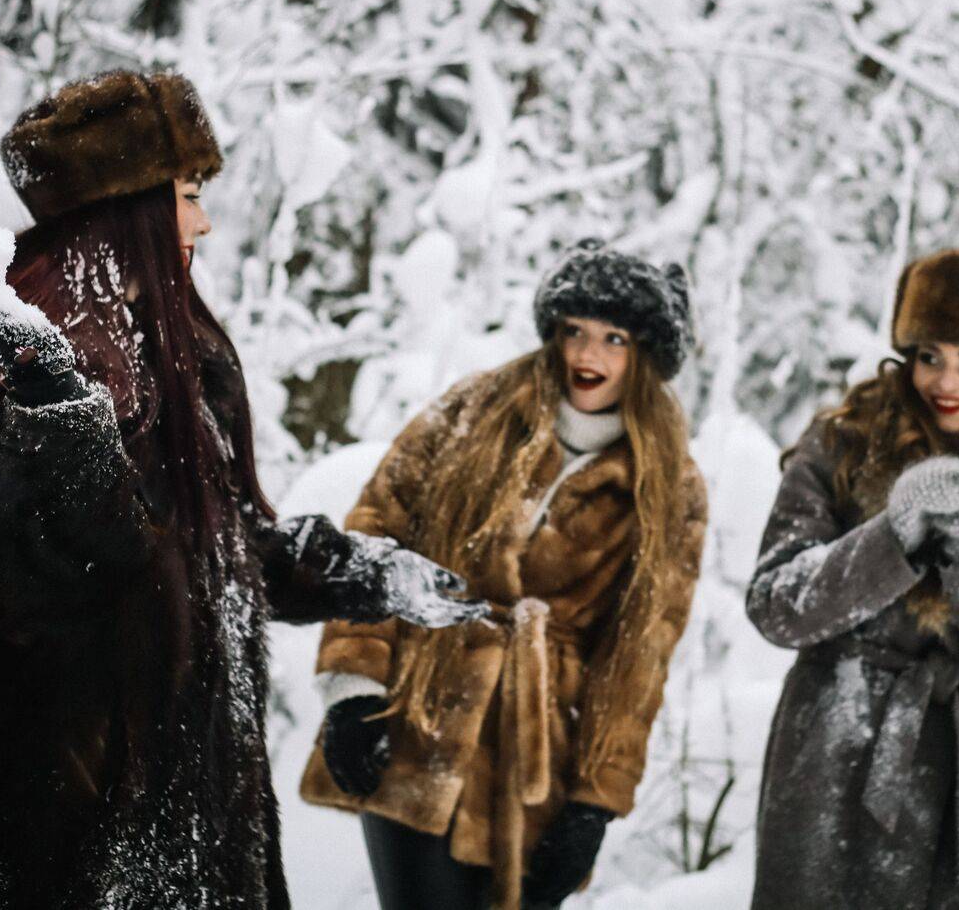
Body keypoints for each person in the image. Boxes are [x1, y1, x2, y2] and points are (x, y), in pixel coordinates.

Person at [0, 70, 486, 910]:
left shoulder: (171, 354)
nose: (203, 221)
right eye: (187, 195)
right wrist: (50, 393)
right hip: (56, 853)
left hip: (186, 833)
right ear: (128, 209)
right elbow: (45, 571)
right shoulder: (16, 366)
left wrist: (356, 572)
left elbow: (202, 548)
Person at [298, 240, 709, 909]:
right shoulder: (477, 406)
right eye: (575, 330)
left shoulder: (670, 484)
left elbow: (639, 653)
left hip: (535, 756)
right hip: (419, 714)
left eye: (614, 339)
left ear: (646, 355)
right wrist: (353, 686)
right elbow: (376, 531)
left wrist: (595, 802)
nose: (588, 354)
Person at [746, 249, 959, 909]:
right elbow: (776, 604)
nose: (947, 381)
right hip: (836, 752)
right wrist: (891, 537)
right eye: (931, 355)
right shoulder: (841, 445)